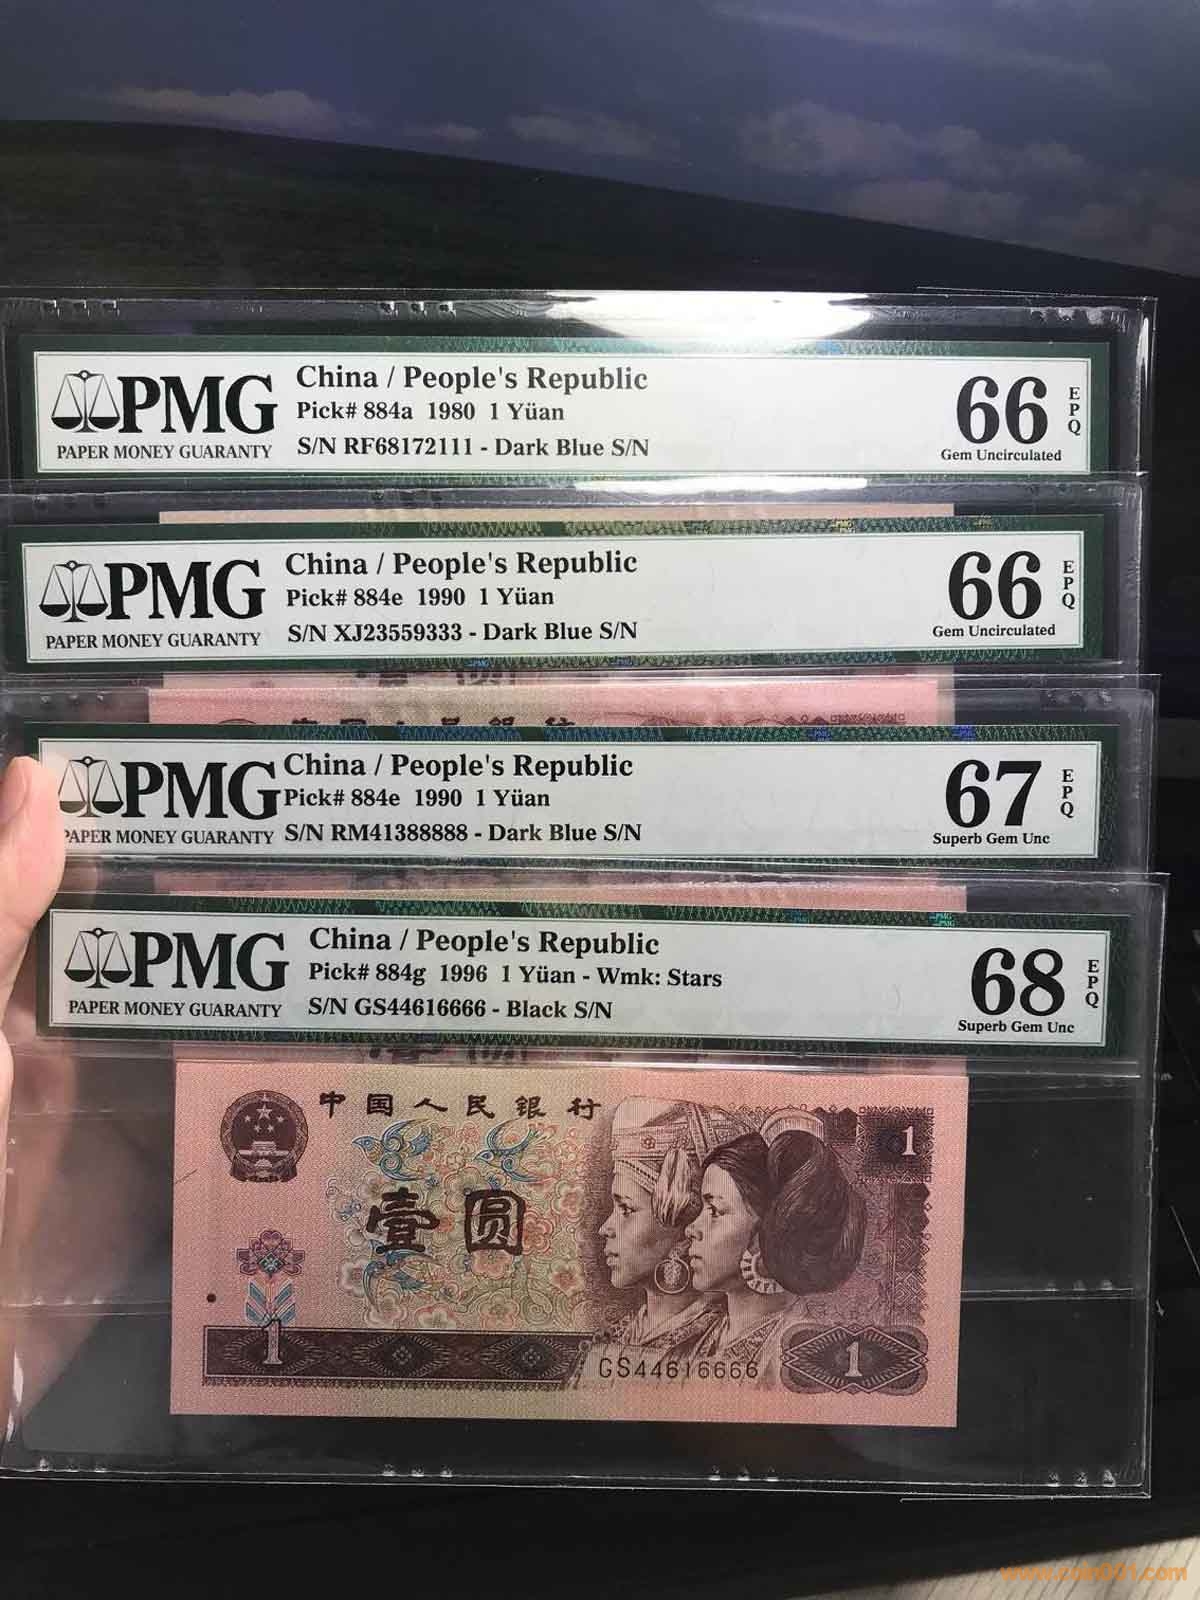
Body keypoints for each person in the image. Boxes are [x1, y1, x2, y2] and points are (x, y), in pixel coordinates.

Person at [685, 1109, 867, 1382]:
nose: (690, 1229)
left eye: (715, 1211)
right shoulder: (698, 1339)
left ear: (769, 1232)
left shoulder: (800, 1356)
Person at [596, 1097, 741, 1352]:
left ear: (685, 1226)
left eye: (626, 1208)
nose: (604, 1228)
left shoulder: (719, 1343)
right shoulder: (616, 1337)